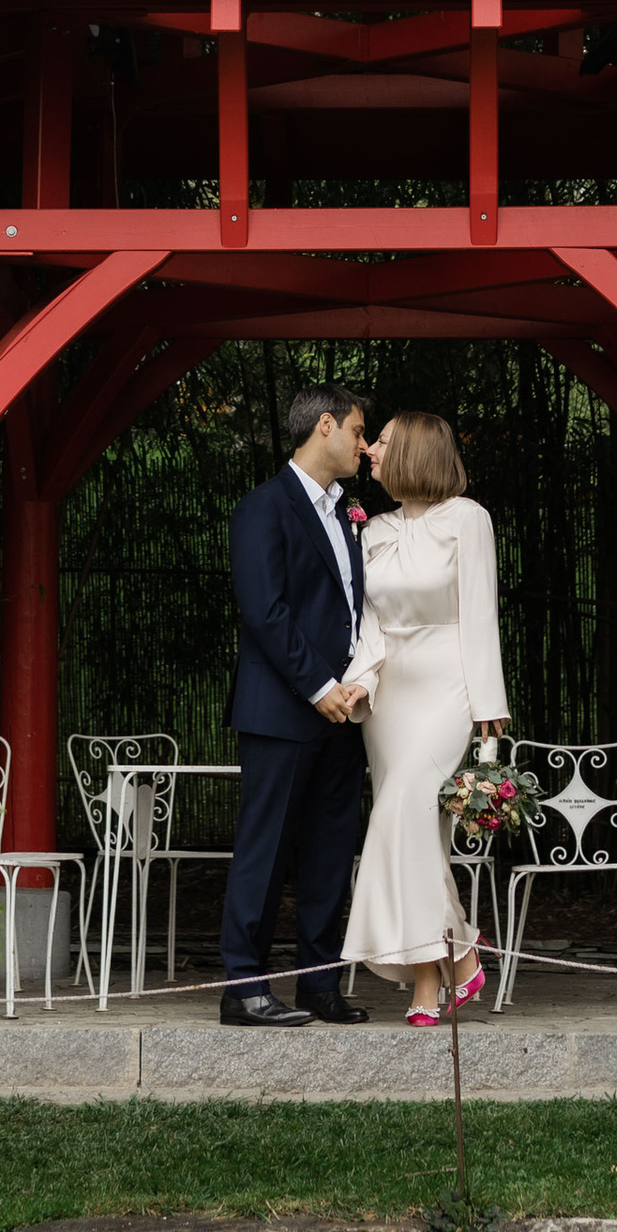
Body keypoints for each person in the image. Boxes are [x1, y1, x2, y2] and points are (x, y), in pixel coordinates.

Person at [214, 383, 376, 1028]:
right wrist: (319, 686)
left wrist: (356, 682)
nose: (366, 447)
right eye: (360, 432)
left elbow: (355, 610)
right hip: (284, 709)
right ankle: (244, 988)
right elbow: (265, 611)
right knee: (267, 848)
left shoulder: (347, 514)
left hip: (345, 711)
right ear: (326, 427)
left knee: (331, 851)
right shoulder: (263, 508)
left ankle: (319, 982)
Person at [341, 409, 511, 1026]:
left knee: (400, 817)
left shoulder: (468, 520)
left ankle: (460, 952)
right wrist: (358, 684)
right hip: (389, 698)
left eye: (381, 442)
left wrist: (489, 704)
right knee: (415, 837)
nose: (370, 452)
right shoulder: (374, 528)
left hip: (447, 688)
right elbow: (371, 625)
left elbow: (479, 611)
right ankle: (427, 985)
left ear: (414, 449)